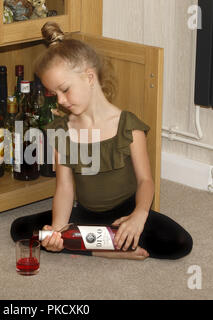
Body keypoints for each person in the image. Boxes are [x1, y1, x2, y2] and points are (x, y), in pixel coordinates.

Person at [10, 22, 193, 260]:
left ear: (89, 77)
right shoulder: (61, 131)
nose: (61, 101)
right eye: (54, 94)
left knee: (180, 243)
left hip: (125, 215)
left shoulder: (128, 125)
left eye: (65, 90)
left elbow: (146, 181)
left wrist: (139, 215)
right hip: (85, 215)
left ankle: (93, 243)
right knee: (20, 230)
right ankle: (104, 251)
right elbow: (65, 188)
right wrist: (58, 230)